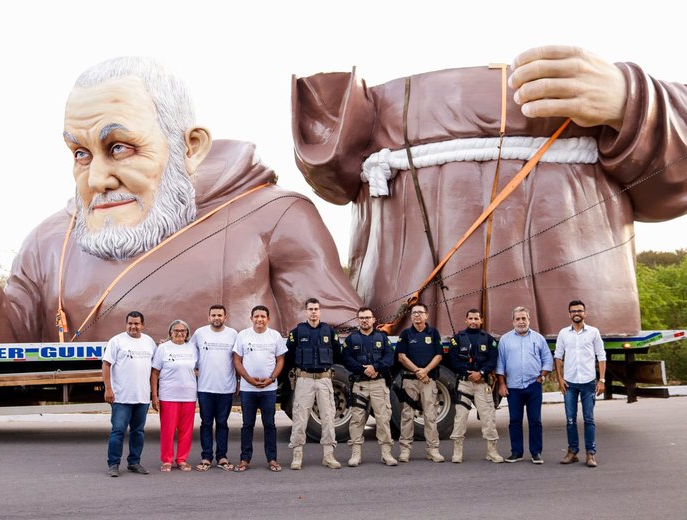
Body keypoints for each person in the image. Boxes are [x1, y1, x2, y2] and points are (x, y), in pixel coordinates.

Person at [0, 56, 363, 344]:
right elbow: (12, 356)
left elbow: (339, 339)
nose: (98, 177)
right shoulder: (48, 241)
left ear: (191, 147)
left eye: (119, 147)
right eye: (81, 153)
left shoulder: (275, 216)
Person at [292, 46, 687, 336]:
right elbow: (331, 172)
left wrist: (632, 98)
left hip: (576, 249)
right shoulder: (382, 138)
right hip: (404, 258)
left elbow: (669, 181)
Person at [285, 298, 343, 470]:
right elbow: (289, 355)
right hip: (304, 380)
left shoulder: (329, 331)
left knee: (328, 417)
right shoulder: (296, 332)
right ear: (305, 312)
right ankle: (297, 456)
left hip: (324, 379)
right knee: (300, 418)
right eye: (310, 309)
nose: (313, 312)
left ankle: (328, 455)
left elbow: (337, 354)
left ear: (320, 311)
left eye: (316, 309)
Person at [232, 305, 286, 472]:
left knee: (269, 424)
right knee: (247, 425)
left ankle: (272, 459)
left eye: (263, 316)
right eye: (256, 316)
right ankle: (244, 459)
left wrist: (271, 379)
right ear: (251, 318)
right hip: (249, 389)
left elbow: (280, 360)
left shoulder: (275, 336)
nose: (259, 319)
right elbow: (237, 360)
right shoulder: (243, 336)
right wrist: (248, 380)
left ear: (268, 319)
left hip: (268, 390)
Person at [341, 307, 398, 467]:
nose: (364, 320)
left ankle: (386, 454)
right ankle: (356, 454)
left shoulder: (382, 337)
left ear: (374, 320)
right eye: (361, 318)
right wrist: (364, 369)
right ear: (358, 320)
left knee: (383, 419)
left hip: (379, 383)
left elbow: (390, 357)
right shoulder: (351, 340)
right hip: (359, 385)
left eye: (367, 317)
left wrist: (376, 367)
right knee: (357, 419)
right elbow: (346, 359)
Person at [496, 306, 553, 464]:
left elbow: (548, 360)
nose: (521, 322)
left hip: (533, 385)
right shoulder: (505, 340)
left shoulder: (538, 338)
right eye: (518, 319)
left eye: (524, 318)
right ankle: (516, 452)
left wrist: (542, 376)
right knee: (514, 420)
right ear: (513, 321)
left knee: (535, 420)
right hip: (513, 387)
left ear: (529, 320)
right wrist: (502, 384)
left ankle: (536, 453)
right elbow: (500, 364)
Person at [102, 310, 156, 477]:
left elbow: (156, 367)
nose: (133, 326)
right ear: (126, 324)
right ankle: (113, 464)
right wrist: (108, 388)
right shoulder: (117, 341)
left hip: (142, 396)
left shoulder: (149, 342)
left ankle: (134, 462)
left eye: (137, 323)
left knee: (138, 431)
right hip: (121, 397)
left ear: (142, 325)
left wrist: (154, 395)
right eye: (130, 323)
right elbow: (106, 364)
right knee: (118, 430)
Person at [554, 300, 606, 468]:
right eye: (573, 311)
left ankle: (590, 454)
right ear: (569, 314)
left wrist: (602, 380)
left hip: (588, 383)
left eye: (580, 310)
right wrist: (560, 379)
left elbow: (601, 356)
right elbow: (558, 357)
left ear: (585, 313)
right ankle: (572, 452)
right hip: (570, 383)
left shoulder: (593, 332)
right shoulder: (563, 333)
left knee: (589, 419)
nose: (577, 313)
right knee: (570, 420)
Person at [448, 309, 504, 463]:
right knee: (460, 418)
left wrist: (481, 372)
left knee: (488, 418)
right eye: (470, 318)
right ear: (466, 320)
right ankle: (457, 452)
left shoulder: (489, 339)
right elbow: (453, 360)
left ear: (481, 320)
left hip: (482, 384)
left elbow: (493, 360)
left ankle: (492, 452)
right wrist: (467, 374)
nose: (473, 321)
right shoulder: (458, 339)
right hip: (464, 383)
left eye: (476, 318)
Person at [394, 302, 445, 463]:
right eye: (414, 313)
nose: (416, 315)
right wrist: (417, 371)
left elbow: (439, 355)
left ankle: (433, 450)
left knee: (430, 415)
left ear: (426, 315)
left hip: (428, 380)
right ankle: (405, 450)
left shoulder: (433, 333)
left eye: (420, 312)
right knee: (407, 414)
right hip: (410, 380)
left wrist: (425, 371)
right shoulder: (406, 334)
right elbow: (401, 356)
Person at [190, 304, 238, 471]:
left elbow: (237, 360)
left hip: (226, 387)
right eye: (213, 315)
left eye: (220, 315)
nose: (217, 317)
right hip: (205, 387)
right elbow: (189, 353)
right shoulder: (199, 333)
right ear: (208, 317)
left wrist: (238, 381)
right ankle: (206, 457)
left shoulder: (233, 334)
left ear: (225, 317)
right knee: (206, 423)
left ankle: (222, 456)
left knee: (223, 423)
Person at [151, 320, 198, 472]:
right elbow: (155, 372)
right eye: (175, 330)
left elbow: (197, 369)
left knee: (186, 431)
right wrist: (154, 395)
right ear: (170, 333)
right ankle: (167, 460)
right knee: (168, 430)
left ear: (187, 333)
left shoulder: (192, 348)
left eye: (183, 331)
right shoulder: (163, 348)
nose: (179, 333)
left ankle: (182, 459)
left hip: (188, 395)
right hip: (168, 395)